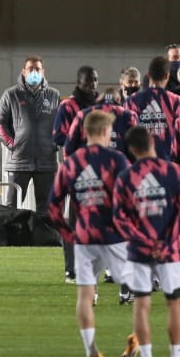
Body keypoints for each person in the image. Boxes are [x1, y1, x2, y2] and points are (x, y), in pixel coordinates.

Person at [47, 109, 131, 357]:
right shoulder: (117, 160)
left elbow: (52, 206)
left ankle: (92, 352)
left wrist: (68, 233)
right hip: (115, 235)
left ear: (84, 132)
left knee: (85, 295)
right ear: (106, 132)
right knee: (139, 290)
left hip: (83, 236)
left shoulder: (71, 163)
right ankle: (137, 340)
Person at [114, 125, 180, 357]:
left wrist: (146, 243)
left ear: (132, 150)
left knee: (141, 304)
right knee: (173, 303)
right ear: (152, 142)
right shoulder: (173, 171)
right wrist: (168, 242)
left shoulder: (125, 178)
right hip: (169, 250)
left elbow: (120, 219)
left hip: (139, 250)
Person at [52, 65, 100, 284]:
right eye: (89, 81)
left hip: (99, 172)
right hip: (76, 171)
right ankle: (71, 268)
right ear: (79, 82)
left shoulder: (100, 107)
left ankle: (100, 267)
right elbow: (58, 137)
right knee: (74, 221)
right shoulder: (67, 106)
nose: (93, 85)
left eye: (96, 80)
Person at [0, 55, 61, 209]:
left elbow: (61, 123)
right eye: (31, 69)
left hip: (46, 163)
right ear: (23, 71)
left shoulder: (54, 95)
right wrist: (12, 143)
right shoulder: (11, 95)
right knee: (11, 208)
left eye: (37, 69)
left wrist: (56, 144)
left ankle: (44, 233)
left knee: (46, 209)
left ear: (43, 71)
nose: (34, 72)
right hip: (19, 162)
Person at [128, 56, 180, 165]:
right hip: (169, 165)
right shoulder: (176, 101)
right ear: (167, 76)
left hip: (140, 166)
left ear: (148, 75)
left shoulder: (132, 101)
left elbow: (127, 134)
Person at [63, 87, 137, 156]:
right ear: (118, 99)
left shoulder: (82, 114)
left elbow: (68, 148)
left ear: (99, 99)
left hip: (88, 163)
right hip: (122, 166)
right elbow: (138, 147)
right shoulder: (130, 115)